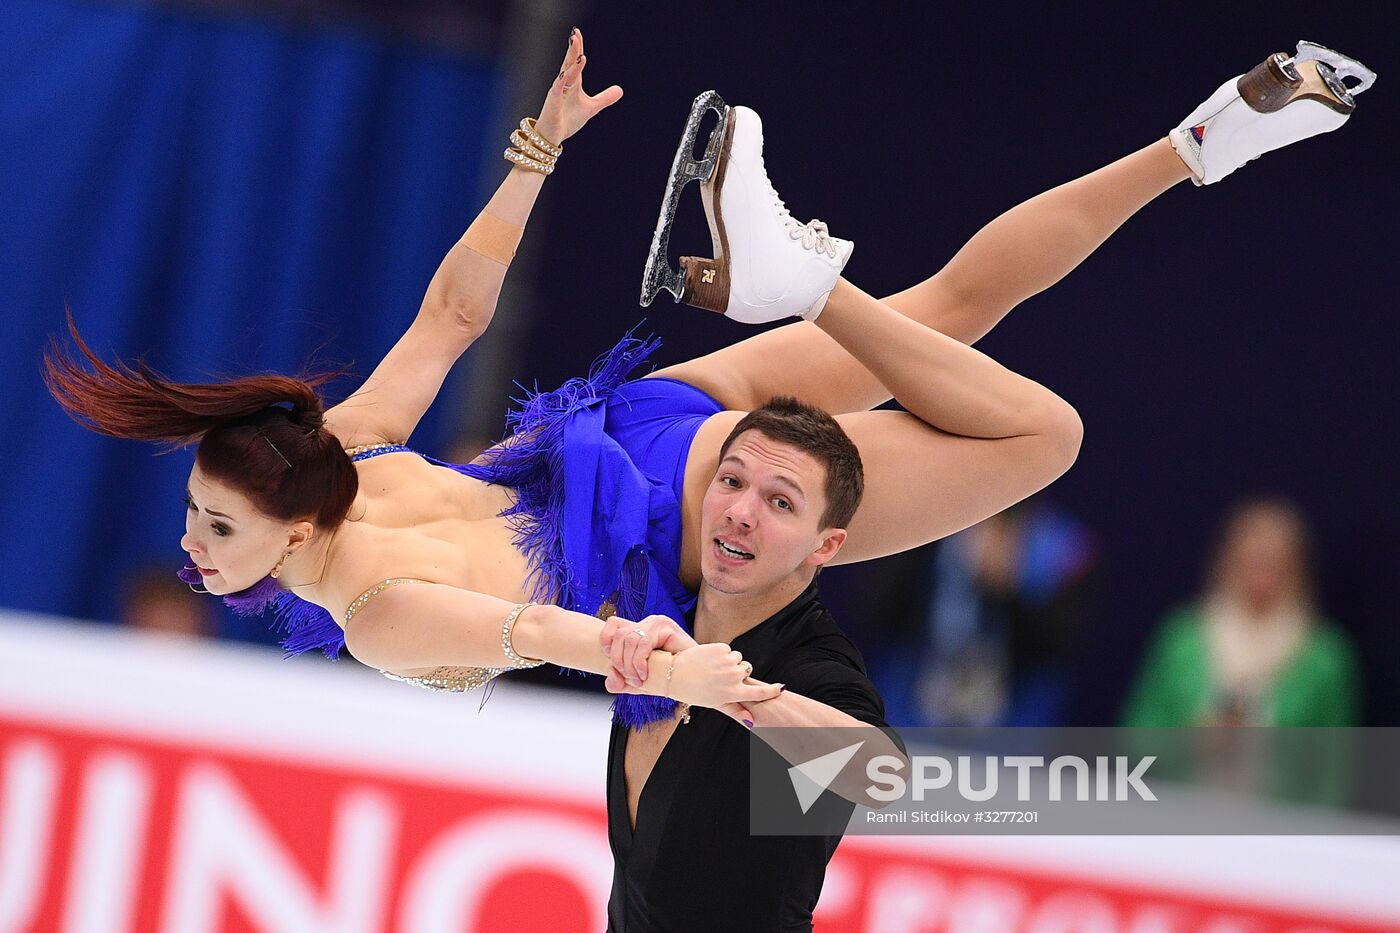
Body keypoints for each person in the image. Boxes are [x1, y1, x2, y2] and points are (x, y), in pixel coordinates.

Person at [41, 34, 1374, 728]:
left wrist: (711, 683)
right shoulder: (364, 450)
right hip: (657, 418)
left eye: (214, 523)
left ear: (296, 517)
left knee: (1045, 435)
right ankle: (1206, 136)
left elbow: (563, 638)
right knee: (953, 310)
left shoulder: (380, 612)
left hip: (702, 508)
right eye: (199, 523)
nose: (193, 548)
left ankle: (805, 281)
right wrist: (537, 155)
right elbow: (453, 315)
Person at [596, 398, 905, 932]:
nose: (740, 512)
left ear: (825, 546)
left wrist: (728, 689)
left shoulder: (812, 662)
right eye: (732, 481)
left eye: (780, 502)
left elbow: (882, 774)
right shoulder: (670, 621)